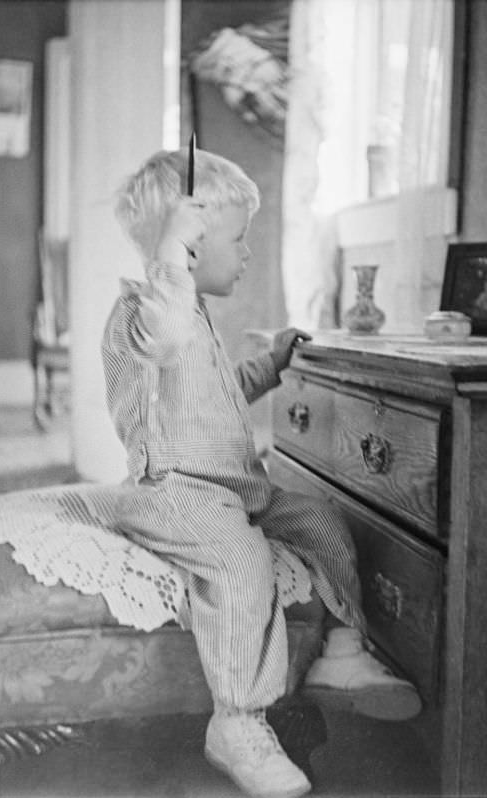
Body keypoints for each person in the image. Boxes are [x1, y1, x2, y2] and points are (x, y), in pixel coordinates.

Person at [102, 147, 420, 798]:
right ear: (186, 248)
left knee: (321, 521)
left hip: (234, 486)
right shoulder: (144, 314)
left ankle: (341, 650)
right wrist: (170, 257)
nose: (247, 252)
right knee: (243, 564)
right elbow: (160, 342)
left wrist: (270, 366)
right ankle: (238, 720)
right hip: (176, 493)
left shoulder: (198, 318)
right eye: (238, 238)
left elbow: (216, 396)